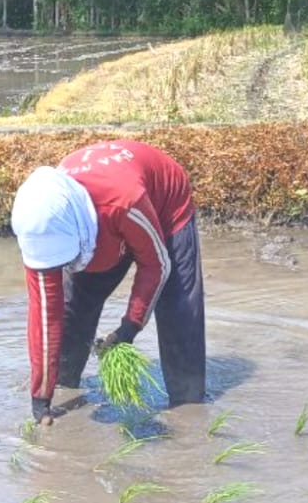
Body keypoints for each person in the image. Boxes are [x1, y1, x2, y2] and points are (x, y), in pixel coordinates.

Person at [10, 140, 205, 426]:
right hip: (99, 229)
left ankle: (189, 407)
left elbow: (156, 265)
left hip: (162, 210)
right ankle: (63, 386)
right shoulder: (42, 227)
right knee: (71, 311)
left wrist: (129, 327)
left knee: (179, 310)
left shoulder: (124, 200)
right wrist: (40, 398)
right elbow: (44, 316)